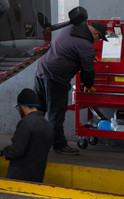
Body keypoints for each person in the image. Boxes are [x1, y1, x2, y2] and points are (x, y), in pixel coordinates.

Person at [34, 20, 108, 155]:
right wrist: (89, 85)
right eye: (100, 38)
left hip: (41, 71)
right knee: (56, 113)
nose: (98, 41)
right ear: (96, 33)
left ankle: (29, 141)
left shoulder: (71, 27)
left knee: (38, 109)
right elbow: (88, 71)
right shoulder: (86, 46)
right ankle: (59, 145)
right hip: (56, 78)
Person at [1, 88, 53, 183]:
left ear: (23, 106)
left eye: (19, 107)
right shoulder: (47, 124)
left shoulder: (25, 123)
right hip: (37, 178)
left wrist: (5, 151)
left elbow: (17, 151)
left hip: (19, 178)